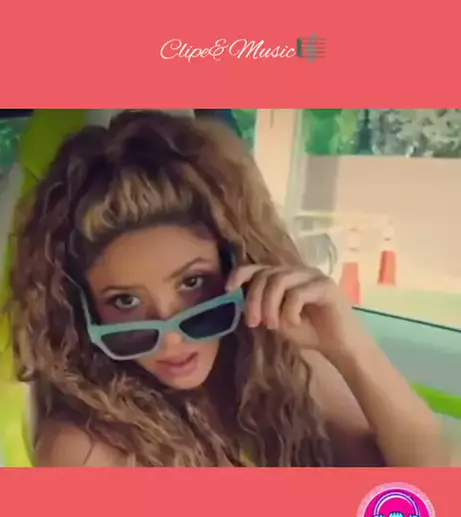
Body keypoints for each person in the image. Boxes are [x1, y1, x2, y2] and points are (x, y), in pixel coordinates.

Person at [6, 110, 448, 467]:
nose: (172, 338)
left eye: (192, 283)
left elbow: (420, 495)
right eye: (125, 301)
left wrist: (350, 346)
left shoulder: (288, 370)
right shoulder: (86, 450)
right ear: (83, 310)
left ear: (237, 265)